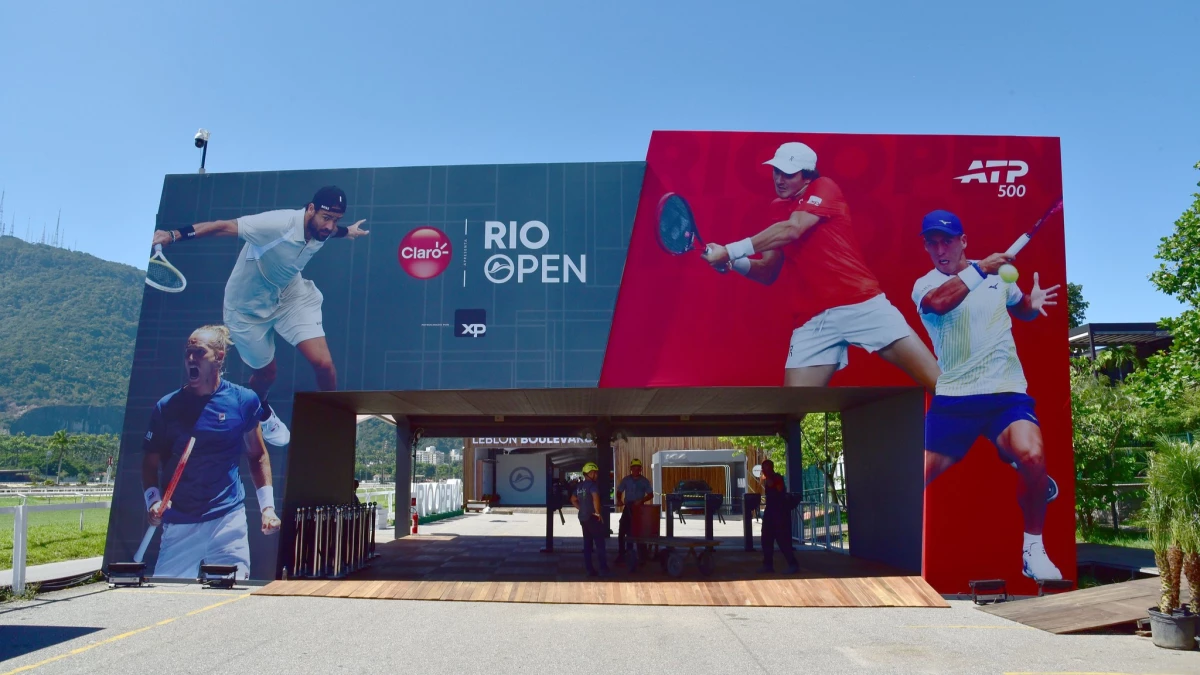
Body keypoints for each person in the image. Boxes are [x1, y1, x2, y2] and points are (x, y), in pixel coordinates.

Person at [702, 142, 940, 391]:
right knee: (791, 412)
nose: (780, 179)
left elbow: (793, 229)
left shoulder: (824, 186)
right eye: (776, 172)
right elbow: (767, 271)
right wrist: (733, 262)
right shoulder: (777, 209)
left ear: (807, 176)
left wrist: (729, 250)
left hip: (861, 304)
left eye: (789, 174)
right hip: (813, 321)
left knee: (939, 385)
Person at [151, 186, 369, 446]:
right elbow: (223, 226)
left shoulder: (325, 227)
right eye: (326, 217)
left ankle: (336, 421)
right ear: (310, 209)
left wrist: (348, 232)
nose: (329, 225)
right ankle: (260, 411)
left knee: (323, 364)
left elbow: (332, 230)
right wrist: (173, 235)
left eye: (336, 219)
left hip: (289, 294)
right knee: (267, 374)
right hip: (246, 308)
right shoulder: (276, 225)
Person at [912, 209, 1063, 581]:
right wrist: (981, 270)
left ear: (963, 241)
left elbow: (1019, 307)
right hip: (955, 400)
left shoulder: (998, 275)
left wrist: (1032, 304)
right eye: (933, 242)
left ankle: (1033, 550)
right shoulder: (925, 285)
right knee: (913, 480)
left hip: (1004, 393)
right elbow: (943, 302)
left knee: (1033, 455)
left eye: (947, 240)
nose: (940, 248)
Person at [141, 325, 282, 579]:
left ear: (219, 358)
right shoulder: (166, 407)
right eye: (188, 353)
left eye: (198, 352)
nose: (190, 358)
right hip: (179, 523)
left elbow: (257, 455)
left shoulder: (244, 400)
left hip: (228, 519)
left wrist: (267, 508)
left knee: (231, 598)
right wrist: (153, 501)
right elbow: (150, 463)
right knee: (163, 600)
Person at [570, 462, 611, 577]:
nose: (596, 475)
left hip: (583, 518)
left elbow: (573, 499)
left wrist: (582, 508)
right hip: (593, 517)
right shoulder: (593, 486)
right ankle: (603, 568)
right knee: (600, 543)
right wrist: (598, 513)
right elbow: (595, 498)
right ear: (590, 473)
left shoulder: (579, 486)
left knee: (587, 544)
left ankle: (589, 569)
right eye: (595, 473)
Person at [758, 460, 798, 574]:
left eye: (766, 468)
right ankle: (767, 565)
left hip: (779, 513)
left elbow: (777, 488)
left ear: (771, 468)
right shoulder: (767, 479)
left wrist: (768, 475)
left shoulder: (777, 478)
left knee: (782, 540)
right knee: (766, 539)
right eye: (763, 468)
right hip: (770, 512)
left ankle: (793, 563)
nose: (764, 471)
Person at [615, 458, 654, 559]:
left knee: (639, 532)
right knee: (622, 530)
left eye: (638, 468)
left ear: (640, 469)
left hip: (639, 509)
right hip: (628, 507)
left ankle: (642, 555)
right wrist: (619, 500)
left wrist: (641, 500)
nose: (636, 470)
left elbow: (651, 494)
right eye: (634, 468)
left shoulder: (644, 481)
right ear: (631, 469)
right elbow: (619, 491)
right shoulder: (626, 480)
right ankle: (622, 554)